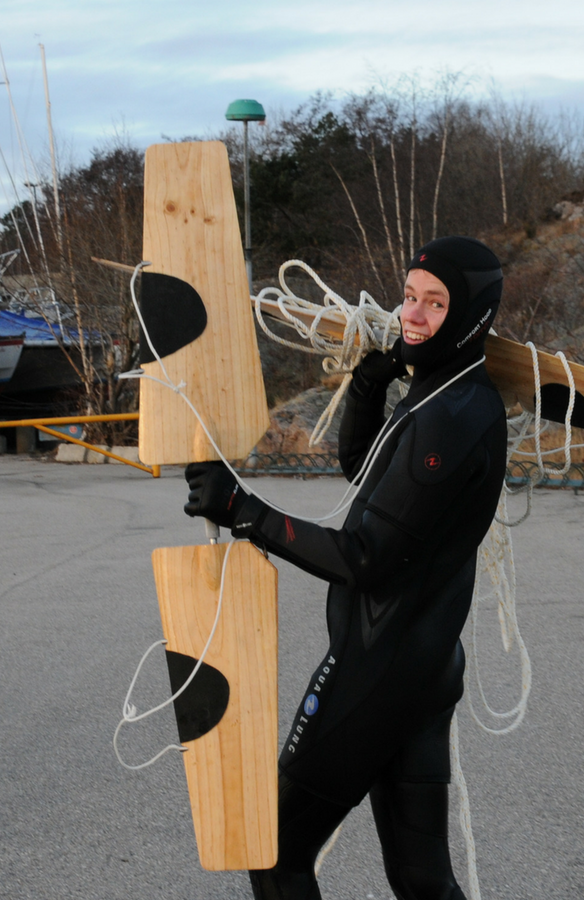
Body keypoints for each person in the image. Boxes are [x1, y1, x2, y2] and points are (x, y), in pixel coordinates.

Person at [183, 237, 509, 900]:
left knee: (275, 853)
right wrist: (368, 387)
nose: (411, 316)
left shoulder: (448, 418)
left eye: (435, 303)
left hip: (376, 672)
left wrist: (245, 511)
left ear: (473, 315)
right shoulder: (449, 394)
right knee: (422, 879)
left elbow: (365, 557)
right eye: (410, 296)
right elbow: (372, 478)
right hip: (421, 667)